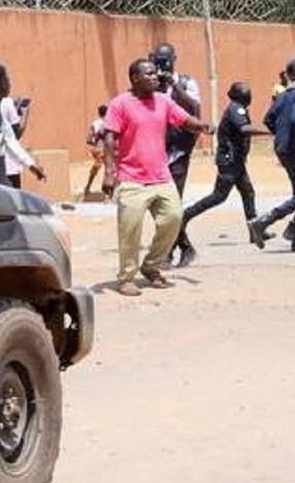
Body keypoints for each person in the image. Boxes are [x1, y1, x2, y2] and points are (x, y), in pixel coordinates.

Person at [100, 58, 209, 294]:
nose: (154, 77)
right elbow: (109, 138)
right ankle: (126, 277)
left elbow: (184, 119)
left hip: (161, 176)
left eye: (154, 73)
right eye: (148, 74)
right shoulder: (120, 104)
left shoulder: (163, 101)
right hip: (131, 178)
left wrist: (201, 126)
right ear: (135, 78)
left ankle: (151, 265)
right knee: (130, 230)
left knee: (173, 218)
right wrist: (108, 173)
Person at [252, 58, 295, 251]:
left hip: (283, 148)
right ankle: (264, 221)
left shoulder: (282, 96)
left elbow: (268, 120)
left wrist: (282, 134)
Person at [182, 81, 257, 243]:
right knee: (219, 196)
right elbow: (244, 129)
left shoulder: (238, 108)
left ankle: (255, 230)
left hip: (236, 160)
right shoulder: (236, 109)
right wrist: (267, 130)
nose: (249, 96)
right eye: (246, 93)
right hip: (230, 161)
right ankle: (186, 215)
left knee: (248, 192)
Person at [151, 42, 203, 265]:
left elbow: (194, 108)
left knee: (172, 202)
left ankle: (167, 252)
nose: (162, 65)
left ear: (174, 60)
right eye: (158, 61)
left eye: (166, 61)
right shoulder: (150, 83)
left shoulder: (186, 82)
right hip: (155, 151)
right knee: (158, 204)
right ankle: (185, 246)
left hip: (179, 151)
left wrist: (173, 86)